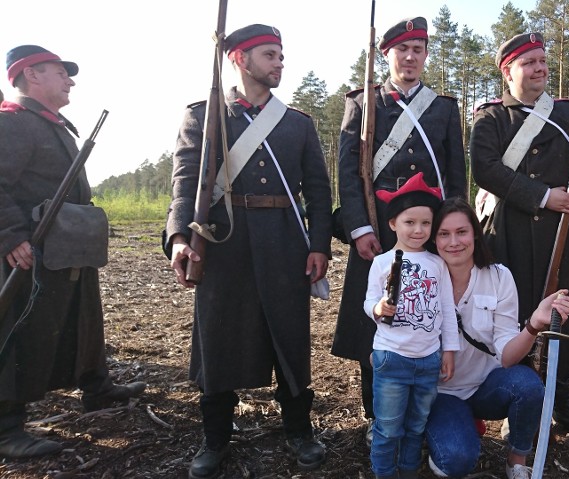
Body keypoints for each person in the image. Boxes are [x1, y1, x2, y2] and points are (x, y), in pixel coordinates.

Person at [164, 25, 333, 478]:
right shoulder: (205, 115)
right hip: (223, 243)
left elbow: (318, 191)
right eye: (270, 55)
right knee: (217, 340)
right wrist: (180, 237)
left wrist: (319, 246)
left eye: (280, 54)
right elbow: (185, 182)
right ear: (240, 59)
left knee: (290, 341)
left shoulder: (297, 123)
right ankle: (215, 438)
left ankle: (299, 430)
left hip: (284, 241)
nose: (280, 62)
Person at [470, 32, 569, 440]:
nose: (538, 68)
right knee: (515, 316)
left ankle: (563, 404)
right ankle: (520, 408)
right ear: (508, 71)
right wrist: (542, 196)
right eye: (528, 62)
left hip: (561, 234)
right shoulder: (491, 117)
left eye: (541, 60)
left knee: (563, 312)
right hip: (512, 234)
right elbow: (484, 169)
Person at [0, 45, 145, 459]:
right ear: (31, 75)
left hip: (66, 244)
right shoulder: (12, 123)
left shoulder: (52, 124)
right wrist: (10, 236)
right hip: (29, 249)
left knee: (84, 317)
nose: (70, 80)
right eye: (61, 72)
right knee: (18, 332)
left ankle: (97, 387)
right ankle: (7, 428)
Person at [331, 16, 466, 445]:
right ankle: (378, 416)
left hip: (425, 229)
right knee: (372, 324)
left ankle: (421, 413)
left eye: (419, 50)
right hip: (379, 229)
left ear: (426, 55)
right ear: (386, 54)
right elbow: (349, 174)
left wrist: (448, 232)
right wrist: (358, 228)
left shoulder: (443, 108)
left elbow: (454, 175)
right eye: (402, 50)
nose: (411, 58)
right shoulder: (363, 103)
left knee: (428, 316)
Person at [424, 197, 569, 479]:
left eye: (462, 232)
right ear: (433, 239)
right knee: (456, 461)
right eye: (444, 234)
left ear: (475, 234)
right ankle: (447, 431)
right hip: (441, 393)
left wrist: (533, 325)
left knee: (528, 386)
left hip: (486, 386)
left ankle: (516, 459)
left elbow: (507, 356)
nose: (453, 242)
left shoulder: (498, 277)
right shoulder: (424, 279)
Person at [363, 173, 459, 479]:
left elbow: (446, 308)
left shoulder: (437, 263)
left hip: (429, 359)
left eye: (425, 223)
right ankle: (383, 472)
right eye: (409, 222)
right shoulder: (382, 262)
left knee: (417, 424)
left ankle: (408, 470)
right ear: (393, 223)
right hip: (392, 357)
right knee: (389, 426)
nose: (418, 230)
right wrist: (378, 309)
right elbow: (368, 302)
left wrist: (450, 350)